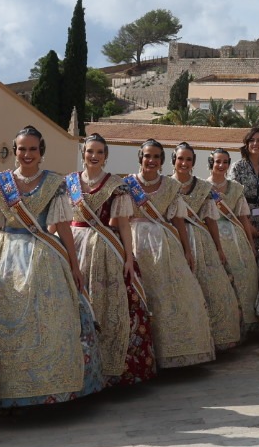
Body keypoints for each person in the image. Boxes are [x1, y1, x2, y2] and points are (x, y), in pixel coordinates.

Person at [0, 126, 102, 409]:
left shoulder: (54, 183)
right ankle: (4, 392)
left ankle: (47, 389)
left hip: (44, 256)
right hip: (2, 256)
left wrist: (74, 264)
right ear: (15, 151)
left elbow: (64, 227)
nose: (27, 154)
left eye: (33, 149)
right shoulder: (0, 184)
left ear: (41, 152)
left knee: (47, 319)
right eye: (22, 149)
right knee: (0, 321)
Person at [66, 133, 155, 386]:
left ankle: (111, 367)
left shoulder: (116, 185)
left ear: (106, 156)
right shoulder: (69, 182)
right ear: (83, 153)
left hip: (105, 249)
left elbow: (124, 225)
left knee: (110, 306)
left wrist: (128, 257)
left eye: (99, 152)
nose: (94, 156)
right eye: (90, 151)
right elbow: (60, 221)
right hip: (73, 244)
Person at [127, 139, 214, 369]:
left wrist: (187, 249)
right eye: (147, 156)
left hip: (165, 247)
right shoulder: (127, 185)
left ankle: (173, 351)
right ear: (140, 157)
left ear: (163, 161)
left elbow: (178, 219)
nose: (151, 160)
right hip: (134, 243)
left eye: (156, 156)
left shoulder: (170, 186)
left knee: (171, 296)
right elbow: (120, 220)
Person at [174, 142, 242, 352]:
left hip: (201, 241)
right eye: (180, 158)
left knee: (213, 287)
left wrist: (219, 248)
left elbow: (211, 220)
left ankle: (215, 337)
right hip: (173, 239)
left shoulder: (203, 187)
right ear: (174, 160)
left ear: (193, 163)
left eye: (188, 159)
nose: (184, 163)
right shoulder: (166, 184)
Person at [207, 147, 259, 333]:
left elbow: (243, 217)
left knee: (245, 276)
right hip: (211, 235)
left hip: (236, 236)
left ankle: (246, 323)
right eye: (218, 161)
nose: (221, 165)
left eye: (225, 162)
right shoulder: (203, 187)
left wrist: (250, 244)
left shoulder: (236, 188)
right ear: (211, 163)